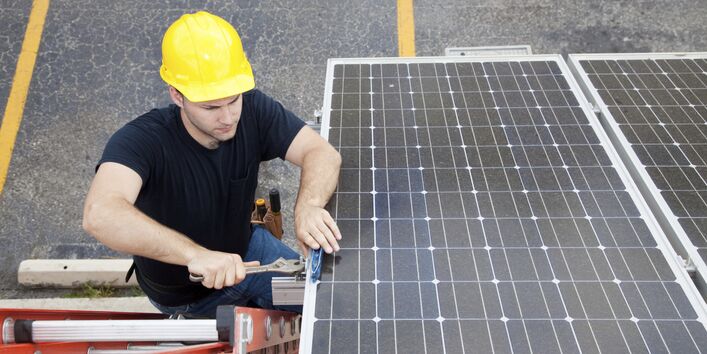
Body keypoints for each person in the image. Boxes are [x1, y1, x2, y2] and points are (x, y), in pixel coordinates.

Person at [82, 11, 342, 318]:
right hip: (189, 296)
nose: (228, 117)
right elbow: (99, 214)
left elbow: (321, 152)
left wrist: (308, 207)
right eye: (211, 107)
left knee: (333, 304)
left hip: (252, 254)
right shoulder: (143, 141)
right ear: (177, 95)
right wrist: (195, 256)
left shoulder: (253, 110)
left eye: (233, 100)